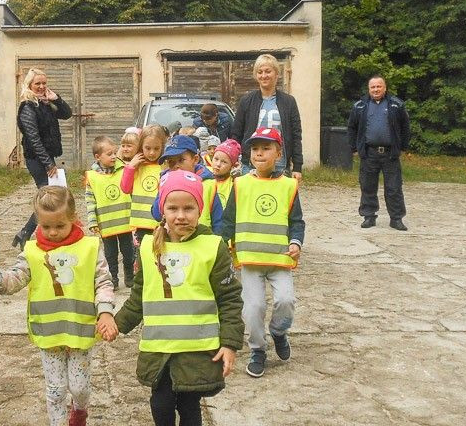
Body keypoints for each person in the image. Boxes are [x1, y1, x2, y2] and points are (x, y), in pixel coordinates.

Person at [110, 170, 243, 426]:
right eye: (172, 208)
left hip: (197, 350)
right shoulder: (149, 247)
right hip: (159, 350)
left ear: (200, 209)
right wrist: (116, 324)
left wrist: (230, 343)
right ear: (162, 210)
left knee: (189, 406)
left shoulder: (212, 247)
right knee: (160, 404)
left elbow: (230, 300)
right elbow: (139, 295)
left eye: (188, 208)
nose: (181, 215)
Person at [0, 186, 116, 426]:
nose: (52, 232)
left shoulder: (90, 247)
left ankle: (80, 409)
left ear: (73, 218)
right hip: (49, 333)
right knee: (56, 390)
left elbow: (103, 282)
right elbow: (15, 278)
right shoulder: (32, 251)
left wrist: (105, 312)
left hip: (80, 330)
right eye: (46, 226)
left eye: (59, 226)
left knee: (79, 388)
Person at [217, 127, 304, 379]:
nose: (259, 153)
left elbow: (297, 221)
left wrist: (296, 242)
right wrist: (221, 246)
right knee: (253, 308)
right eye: (255, 149)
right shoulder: (240, 184)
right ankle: (257, 349)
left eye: (266, 148)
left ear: (279, 153)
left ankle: (278, 331)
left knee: (286, 301)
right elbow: (228, 220)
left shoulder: (289, 186)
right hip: (250, 260)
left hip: (279, 259)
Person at [15, 68, 73, 246]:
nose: (41, 86)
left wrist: (56, 99)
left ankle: (25, 233)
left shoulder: (45, 103)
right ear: (29, 85)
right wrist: (48, 163)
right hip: (36, 159)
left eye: (44, 83)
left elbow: (67, 114)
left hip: (47, 157)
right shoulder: (28, 106)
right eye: (37, 83)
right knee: (49, 197)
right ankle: (31, 233)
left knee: (52, 196)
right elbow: (33, 139)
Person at [346, 75, 411, 231]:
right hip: (369, 153)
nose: (376, 89)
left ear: (385, 88)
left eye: (379, 86)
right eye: (373, 87)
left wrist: (402, 147)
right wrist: (354, 148)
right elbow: (352, 127)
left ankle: (396, 219)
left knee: (394, 188)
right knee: (367, 186)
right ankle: (369, 216)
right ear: (369, 89)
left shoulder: (396, 105)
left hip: (390, 154)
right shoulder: (360, 106)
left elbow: (405, 127)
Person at [229, 54, 303, 179]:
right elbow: (236, 134)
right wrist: (232, 159)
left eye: (268, 71)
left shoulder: (289, 102)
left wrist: (297, 167)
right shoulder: (246, 101)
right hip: (250, 166)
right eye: (260, 72)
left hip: (280, 166)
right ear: (256, 75)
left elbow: (296, 135)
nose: (264, 75)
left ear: (276, 74)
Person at [85, 135, 135, 288]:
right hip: (106, 225)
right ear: (97, 157)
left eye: (114, 152)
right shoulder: (92, 177)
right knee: (110, 254)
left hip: (125, 222)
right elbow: (90, 201)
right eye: (109, 154)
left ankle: (129, 276)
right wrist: (92, 222)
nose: (114, 156)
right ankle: (113, 278)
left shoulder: (125, 169)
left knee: (128, 251)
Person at [120, 124, 167, 246]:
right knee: (142, 254)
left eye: (156, 148)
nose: (152, 153)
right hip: (142, 224)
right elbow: (125, 188)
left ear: (162, 147)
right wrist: (130, 167)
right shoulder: (136, 166)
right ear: (141, 146)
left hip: (162, 223)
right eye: (147, 148)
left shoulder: (166, 165)